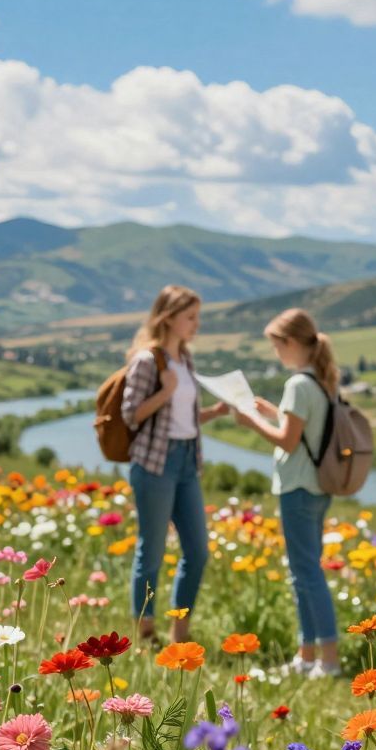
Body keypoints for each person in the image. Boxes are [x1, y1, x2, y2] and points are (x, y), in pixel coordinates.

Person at [233, 308, 342, 678]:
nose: (275, 353)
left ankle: (326, 659)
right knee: (306, 571)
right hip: (317, 487)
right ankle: (308, 655)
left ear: (291, 342)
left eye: (276, 346)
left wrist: (253, 422)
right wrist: (275, 412)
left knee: (306, 574)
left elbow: (289, 441)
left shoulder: (297, 384)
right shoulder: (321, 381)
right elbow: (305, 431)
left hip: (297, 485)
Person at [119, 285, 229, 643]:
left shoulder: (185, 359)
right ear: (168, 318)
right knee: (151, 551)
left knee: (197, 551)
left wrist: (214, 412)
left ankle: (180, 629)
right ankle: (145, 630)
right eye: (191, 317)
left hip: (186, 462)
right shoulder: (148, 361)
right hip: (154, 463)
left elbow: (183, 418)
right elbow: (131, 415)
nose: (196, 324)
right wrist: (164, 392)